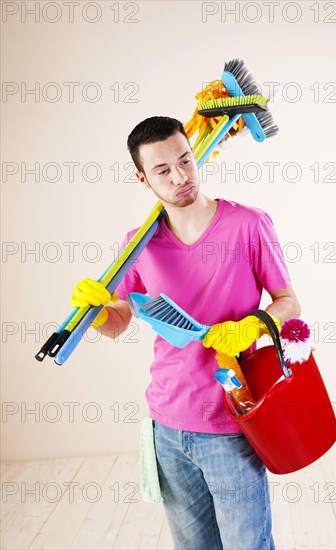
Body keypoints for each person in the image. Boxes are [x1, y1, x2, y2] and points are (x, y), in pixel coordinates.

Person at [71, 116, 301, 550]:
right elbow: (118, 322)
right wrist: (97, 312)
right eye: (162, 171)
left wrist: (252, 323)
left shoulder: (248, 225)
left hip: (233, 421)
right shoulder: (138, 243)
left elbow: (289, 302)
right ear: (143, 179)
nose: (180, 177)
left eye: (186, 161)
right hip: (167, 427)